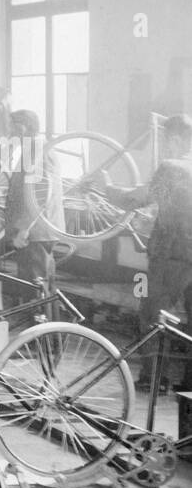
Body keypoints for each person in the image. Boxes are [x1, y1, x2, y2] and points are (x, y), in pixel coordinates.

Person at [89, 114, 192, 386]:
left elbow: (139, 198)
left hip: (171, 257)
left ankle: (154, 379)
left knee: (151, 314)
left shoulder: (172, 167)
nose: (166, 146)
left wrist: (107, 187)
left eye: (166, 140)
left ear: (175, 138)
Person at [3, 109, 63, 290]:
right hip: (38, 230)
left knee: (36, 286)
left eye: (11, 128)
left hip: (35, 231)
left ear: (22, 128)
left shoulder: (37, 151)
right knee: (41, 285)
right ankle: (44, 318)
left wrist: (24, 229)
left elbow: (42, 194)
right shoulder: (35, 149)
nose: (9, 133)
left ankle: (40, 319)